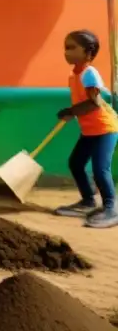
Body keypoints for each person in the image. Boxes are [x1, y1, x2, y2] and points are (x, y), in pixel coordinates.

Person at [54, 30, 118, 228]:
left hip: (105, 128)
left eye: (72, 48)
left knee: (100, 169)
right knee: (76, 163)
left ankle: (111, 209)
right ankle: (88, 201)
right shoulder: (74, 74)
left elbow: (95, 103)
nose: (66, 52)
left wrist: (71, 111)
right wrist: (72, 112)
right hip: (90, 130)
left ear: (88, 53)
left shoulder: (89, 73)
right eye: (66, 47)